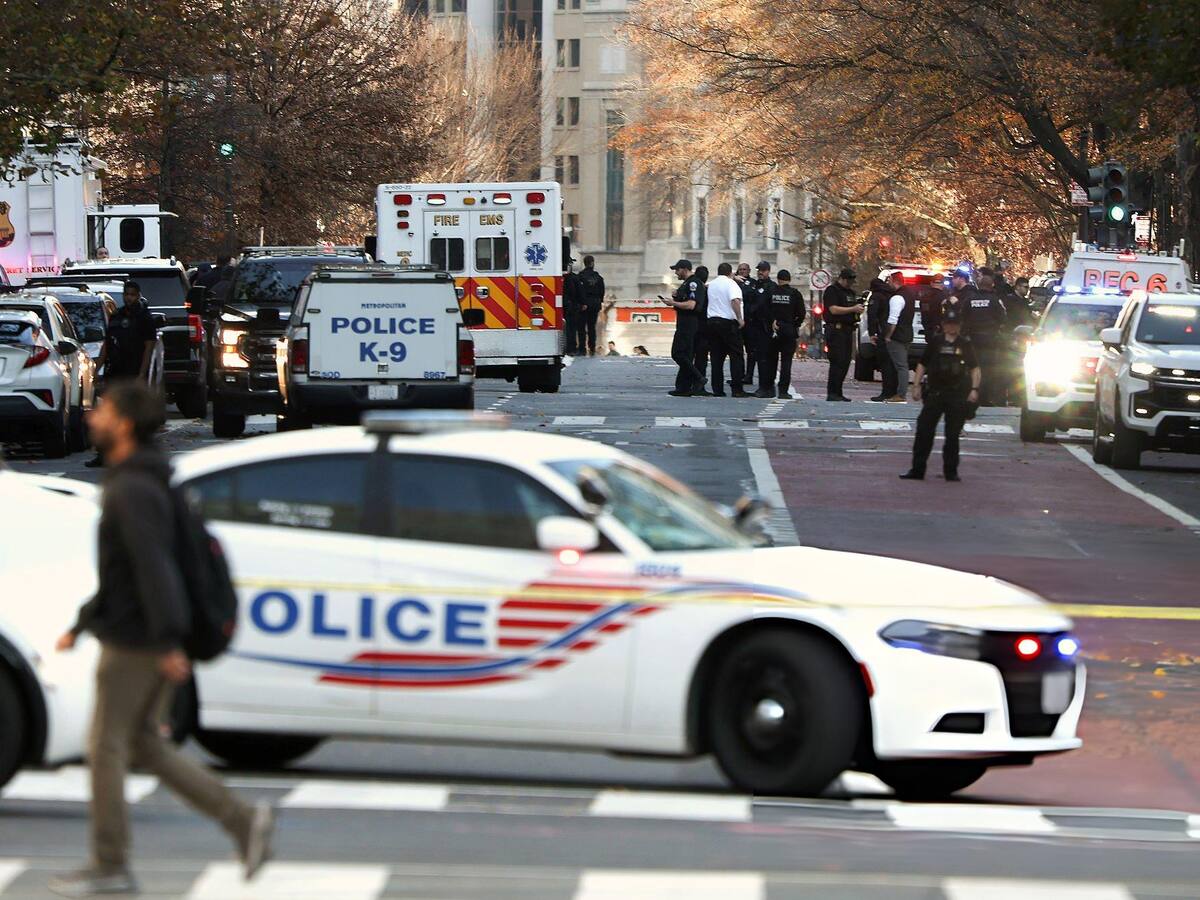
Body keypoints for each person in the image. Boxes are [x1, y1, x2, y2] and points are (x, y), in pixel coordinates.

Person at [51, 381, 275, 897]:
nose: (92, 417)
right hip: (139, 631)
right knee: (144, 747)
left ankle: (110, 864)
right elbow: (126, 573)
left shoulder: (132, 489)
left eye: (102, 410)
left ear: (124, 424)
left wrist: (169, 640)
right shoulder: (146, 480)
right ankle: (243, 821)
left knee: (104, 747)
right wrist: (82, 622)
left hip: (136, 641)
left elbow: (156, 569)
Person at [900, 306, 981, 482]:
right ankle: (917, 469)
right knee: (924, 431)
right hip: (935, 393)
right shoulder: (936, 342)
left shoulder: (965, 344)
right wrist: (916, 386)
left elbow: (975, 368)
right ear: (944, 325)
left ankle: (951, 472)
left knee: (952, 435)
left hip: (956, 394)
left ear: (959, 326)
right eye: (949, 324)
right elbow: (922, 364)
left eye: (955, 324)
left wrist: (974, 390)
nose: (951, 328)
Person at [86, 282, 159, 469]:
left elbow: (148, 348)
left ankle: (136, 454)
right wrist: (97, 368)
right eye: (127, 294)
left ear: (138, 295)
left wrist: (142, 374)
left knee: (133, 415)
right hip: (115, 371)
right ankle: (104, 454)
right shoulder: (116, 315)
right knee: (110, 413)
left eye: (133, 295)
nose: (129, 298)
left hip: (132, 371)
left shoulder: (144, 318)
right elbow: (107, 344)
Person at [758, 269, 806, 398]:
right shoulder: (795, 294)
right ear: (789, 280)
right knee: (786, 362)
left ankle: (768, 388)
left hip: (773, 330)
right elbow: (801, 313)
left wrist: (771, 321)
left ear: (778, 280)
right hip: (789, 330)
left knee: (770, 361)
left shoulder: (770, 292)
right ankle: (783, 391)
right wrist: (794, 325)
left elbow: (762, 308)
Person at [964, 268, 1008, 406]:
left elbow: (962, 317)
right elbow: (1003, 318)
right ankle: (984, 397)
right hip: (990, 341)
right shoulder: (994, 300)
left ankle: (971, 394)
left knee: (972, 367)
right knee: (988, 370)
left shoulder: (970, 299)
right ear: (992, 285)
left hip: (972, 340)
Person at [663, 259, 706, 397]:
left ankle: (698, 377)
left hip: (689, 323)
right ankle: (683, 387)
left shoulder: (693, 283)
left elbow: (692, 304)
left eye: (677, 270)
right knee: (685, 355)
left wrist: (673, 303)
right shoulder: (686, 284)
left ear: (685, 269)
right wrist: (676, 297)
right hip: (684, 322)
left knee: (678, 353)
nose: (676, 273)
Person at [705, 262, 747, 397]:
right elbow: (735, 301)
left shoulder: (712, 285)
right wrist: (740, 318)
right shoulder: (731, 284)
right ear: (730, 273)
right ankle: (737, 389)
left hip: (712, 323)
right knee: (736, 356)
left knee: (717, 358)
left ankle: (717, 389)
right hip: (727, 323)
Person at [822, 267, 863, 401]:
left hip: (847, 330)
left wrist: (858, 309)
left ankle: (838, 392)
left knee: (845, 362)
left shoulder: (850, 293)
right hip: (835, 330)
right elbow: (833, 309)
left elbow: (853, 309)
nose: (850, 283)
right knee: (837, 361)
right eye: (849, 280)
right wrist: (852, 308)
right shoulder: (832, 291)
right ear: (842, 279)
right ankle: (832, 392)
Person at [879, 271, 915, 403]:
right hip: (907, 334)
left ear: (894, 280)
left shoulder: (897, 298)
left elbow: (893, 319)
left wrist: (888, 335)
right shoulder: (910, 295)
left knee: (901, 366)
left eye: (889, 280)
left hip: (897, 336)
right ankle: (898, 392)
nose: (888, 283)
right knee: (902, 365)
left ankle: (900, 394)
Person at [865, 274, 896, 402]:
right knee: (893, 364)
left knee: (885, 364)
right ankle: (893, 391)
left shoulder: (876, 297)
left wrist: (872, 333)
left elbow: (872, 316)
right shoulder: (892, 294)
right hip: (893, 332)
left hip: (882, 332)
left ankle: (886, 392)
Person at [741, 261, 772, 389]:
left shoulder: (771, 286)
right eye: (759, 270)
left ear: (768, 271)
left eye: (763, 270)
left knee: (762, 356)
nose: (760, 272)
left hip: (763, 325)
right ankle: (748, 376)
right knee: (751, 352)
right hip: (751, 324)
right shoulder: (754, 284)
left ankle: (764, 384)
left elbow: (764, 304)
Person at [577, 255, 605, 355]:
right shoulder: (598, 277)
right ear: (592, 263)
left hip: (583, 305)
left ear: (584, 263)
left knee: (581, 327)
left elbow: (578, 292)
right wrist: (599, 301)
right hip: (594, 304)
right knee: (591, 327)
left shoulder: (580, 276)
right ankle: (592, 347)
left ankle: (582, 348)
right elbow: (602, 291)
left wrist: (581, 303)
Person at [691, 265, 712, 389]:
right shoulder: (708, 291)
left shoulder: (693, 289)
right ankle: (699, 384)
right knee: (702, 358)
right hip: (705, 327)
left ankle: (691, 382)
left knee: (690, 356)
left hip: (693, 326)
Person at [562, 258, 584, 356]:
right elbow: (579, 293)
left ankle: (568, 347)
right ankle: (571, 348)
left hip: (564, 306)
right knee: (572, 328)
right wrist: (583, 303)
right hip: (572, 306)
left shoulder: (561, 277)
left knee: (567, 328)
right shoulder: (574, 278)